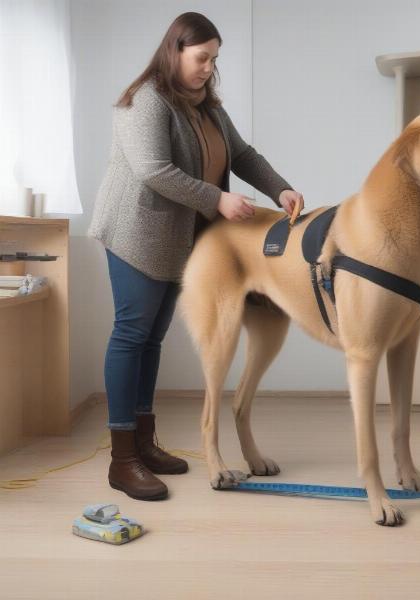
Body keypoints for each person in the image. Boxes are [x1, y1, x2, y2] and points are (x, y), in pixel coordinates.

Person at [87, 12, 304, 501]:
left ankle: (144, 443)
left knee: (153, 338)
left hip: (178, 239)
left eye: (214, 59)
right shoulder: (145, 100)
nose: (208, 67)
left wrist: (281, 187)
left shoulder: (206, 106)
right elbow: (153, 170)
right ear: (175, 51)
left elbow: (243, 154)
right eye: (201, 57)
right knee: (131, 333)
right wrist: (218, 200)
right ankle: (123, 460)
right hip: (136, 233)